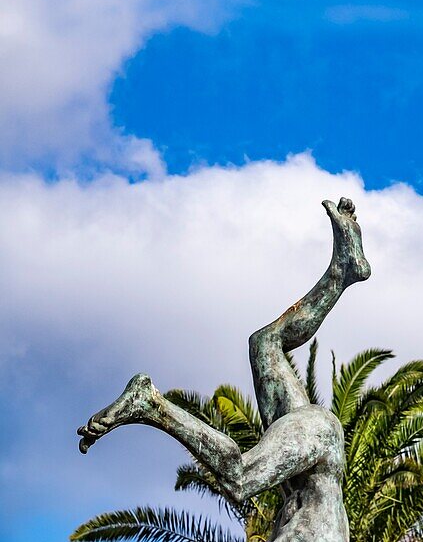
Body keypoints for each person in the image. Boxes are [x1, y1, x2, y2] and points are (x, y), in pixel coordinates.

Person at [77, 197, 372, 542]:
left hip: (316, 447)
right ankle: (150, 405)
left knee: (266, 344)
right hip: (317, 441)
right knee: (242, 477)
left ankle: (342, 270)